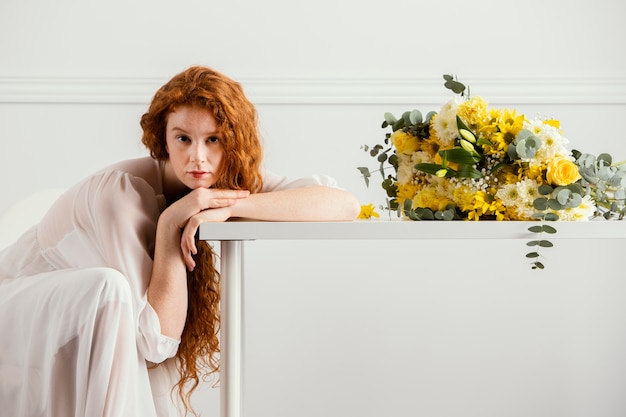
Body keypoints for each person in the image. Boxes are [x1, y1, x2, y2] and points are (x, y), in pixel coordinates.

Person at [0, 65, 360, 417]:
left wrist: (227, 206)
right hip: (20, 312)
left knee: (113, 299)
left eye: (213, 139)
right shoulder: (121, 193)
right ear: (164, 140)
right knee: (109, 287)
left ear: (232, 141)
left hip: (80, 327)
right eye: (183, 139)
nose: (197, 157)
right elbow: (156, 340)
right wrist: (172, 220)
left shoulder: (218, 178)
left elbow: (343, 204)